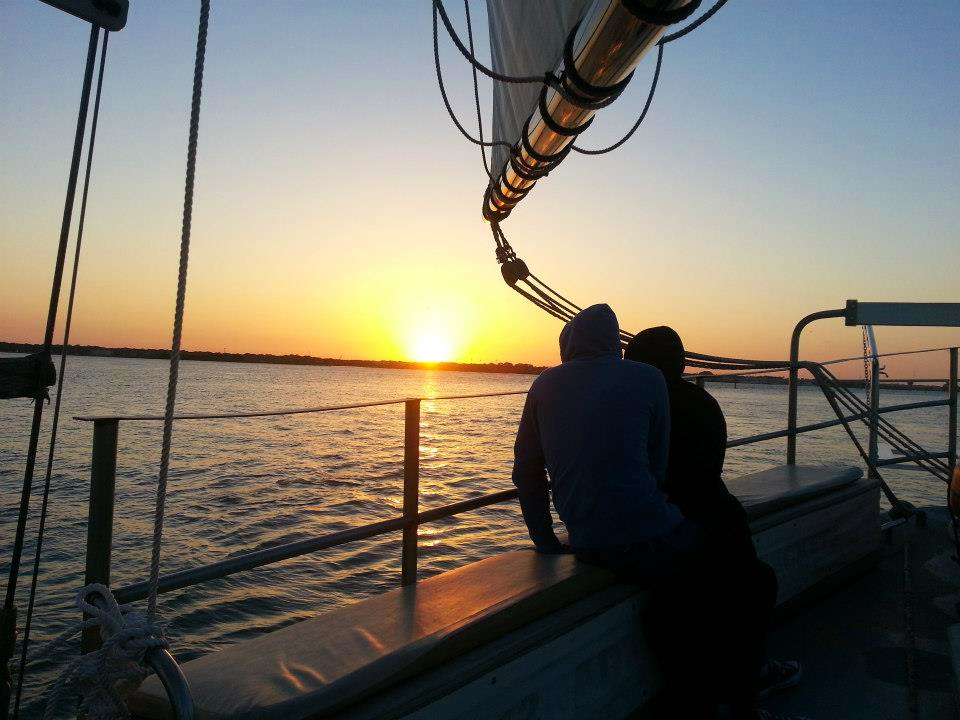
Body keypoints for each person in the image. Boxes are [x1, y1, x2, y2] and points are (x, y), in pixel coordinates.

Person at [625, 326, 802, 716]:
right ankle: (748, 680)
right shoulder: (700, 405)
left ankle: (723, 688)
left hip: (648, 526)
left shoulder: (623, 409)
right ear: (682, 364)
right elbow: (708, 470)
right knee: (754, 579)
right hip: (691, 525)